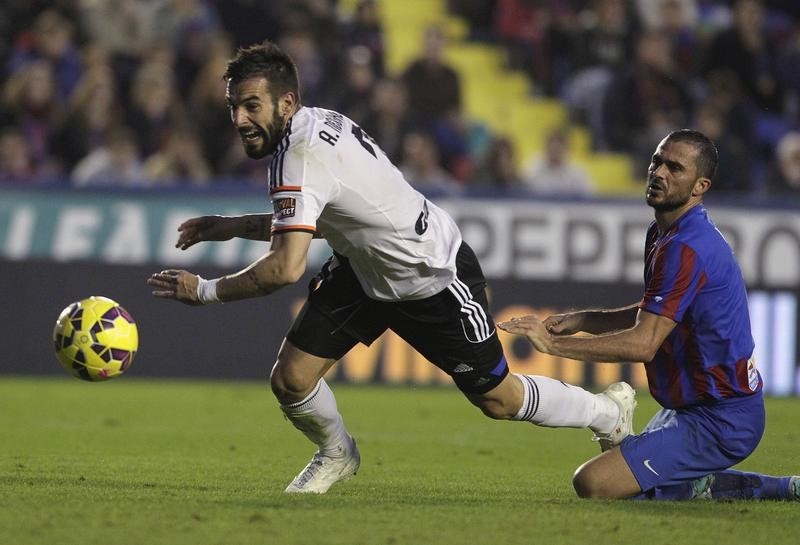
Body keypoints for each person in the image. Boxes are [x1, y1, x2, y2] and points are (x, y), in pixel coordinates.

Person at [147, 42, 637, 494]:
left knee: (499, 401)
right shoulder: (316, 124)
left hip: (433, 276)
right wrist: (229, 226)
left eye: (251, 104)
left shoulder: (299, 155)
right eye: (233, 105)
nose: (238, 117)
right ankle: (337, 453)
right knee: (292, 378)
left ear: (287, 102)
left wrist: (206, 291)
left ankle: (606, 412)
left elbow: (284, 268)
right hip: (365, 270)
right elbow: (319, 223)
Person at [499, 129, 800, 501]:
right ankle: (768, 486)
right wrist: (583, 319)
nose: (659, 172)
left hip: (722, 419)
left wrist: (554, 344)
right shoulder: (664, 234)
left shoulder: (688, 246)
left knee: (595, 484)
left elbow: (644, 342)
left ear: (699, 186)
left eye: (675, 168)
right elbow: (655, 315)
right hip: (690, 409)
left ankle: (767, 488)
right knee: (621, 476)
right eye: (658, 161)